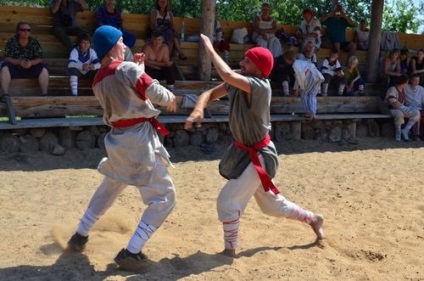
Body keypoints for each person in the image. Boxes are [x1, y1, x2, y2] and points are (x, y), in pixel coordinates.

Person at [184, 35, 324, 258]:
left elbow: (226, 74)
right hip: (245, 153)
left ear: (258, 69)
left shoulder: (260, 86)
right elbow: (209, 93)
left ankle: (229, 251)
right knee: (272, 206)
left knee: (227, 201)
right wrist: (198, 109)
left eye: (247, 61)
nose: (241, 63)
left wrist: (210, 50)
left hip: (259, 155)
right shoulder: (240, 79)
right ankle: (313, 219)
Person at [66, 25, 178, 269]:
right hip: (138, 141)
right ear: (112, 46)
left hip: (118, 140)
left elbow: (128, 92)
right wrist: (171, 98)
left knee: (110, 185)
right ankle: (132, 251)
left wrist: (138, 70)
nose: (125, 45)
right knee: (164, 197)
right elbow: (155, 93)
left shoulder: (98, 78)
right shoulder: (127, 69)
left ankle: (80, 235)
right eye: (121, 42)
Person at [0, 21, 49, 97]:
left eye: (28, 30)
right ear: (18, 31)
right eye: (23, 30)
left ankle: (44, 94)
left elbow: (39, 59)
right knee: (5, 67)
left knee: (43, 67)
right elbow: (7, 58)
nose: (26, 32)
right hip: (15, 69)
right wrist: (19, 62)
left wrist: (31, 63)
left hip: (30, 69)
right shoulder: (12, 41)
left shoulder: (34, 42)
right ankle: (5, 95)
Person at [285, 51, 324, 120]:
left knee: (304, 94)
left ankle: (309, 112)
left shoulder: (295, 65)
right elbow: (298, 77)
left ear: (288, 59)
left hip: (311, 75)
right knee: (312, 95)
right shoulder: (299, 62)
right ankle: (313, 113)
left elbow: (301, 76)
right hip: (318, 75)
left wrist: (299, 88)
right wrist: (296, 88)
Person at [384, 74, 420, 141]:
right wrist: (403, 111)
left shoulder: (403, 90)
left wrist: (405, 109)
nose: (407, 84)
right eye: (407, 82)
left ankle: (405, 130)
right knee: (399, 114)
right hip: (391, 109)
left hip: (401, 108)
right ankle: (398, 133)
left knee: (416, 113)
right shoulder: (393, 89)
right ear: (403, 82)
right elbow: (393, 103)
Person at [405, 73, 424, 140]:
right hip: (409, 108)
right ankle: (416, 135)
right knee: (417, 114)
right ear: (411, 80)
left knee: (419, 113)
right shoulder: (406, 87)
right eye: (414, 80)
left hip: (419, 108)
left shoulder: (422, 89)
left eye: (418, 81)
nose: (416, 82)